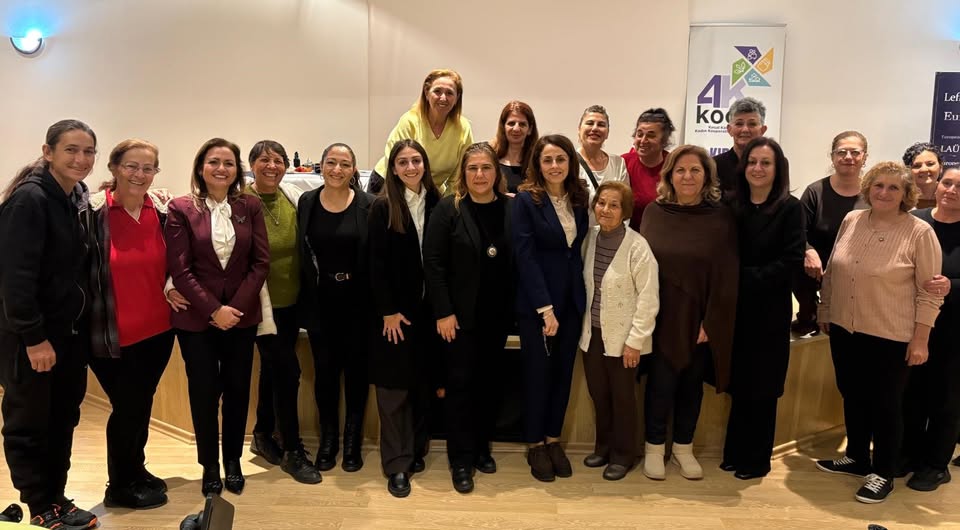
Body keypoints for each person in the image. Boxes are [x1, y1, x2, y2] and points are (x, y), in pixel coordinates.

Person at [815, 161, 943, 504]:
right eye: (878, 185)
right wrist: (825, 310)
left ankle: (883, 472)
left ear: (905, 194)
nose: (884, 193)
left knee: (885, 405)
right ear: (868, 188)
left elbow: (929, 292)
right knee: (852, 394)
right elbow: (833, 271)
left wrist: (921, 339)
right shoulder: (852, 220)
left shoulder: (919, 232)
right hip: (845, 328)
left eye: (893, 187)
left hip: (890, 336)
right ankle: (856, 456)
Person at [0, 119, 100, 528]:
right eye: (71, 150)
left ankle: (57, 497)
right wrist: (34, 337)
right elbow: (15, 279)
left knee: (62, 419)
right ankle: (39, 504)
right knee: (29, 423)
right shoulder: (30, 200)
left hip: (68, 335)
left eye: (88, 151)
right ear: (48, 152)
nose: (81, 158)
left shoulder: (74, 198)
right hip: (34, 339)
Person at [165, 138, 270, 497]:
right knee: (204, 393)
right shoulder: (180, 208)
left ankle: (234, 461)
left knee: (238, 391)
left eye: (228, 163)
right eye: (214, 162)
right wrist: (213, 310)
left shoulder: (250, 206)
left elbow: (260, 263)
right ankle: (209, 465)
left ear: (237, 170)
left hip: (241, 318)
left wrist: (233, 310)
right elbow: (180, 270)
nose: (221, 169)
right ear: (201, 168)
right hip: (197, 321)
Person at [87, 139, 180, 509]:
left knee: (141, 404)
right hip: (112, 335)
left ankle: (135, 469)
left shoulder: (162, 212)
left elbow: (176, 263)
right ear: (113, 168)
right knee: (127, 407)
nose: (139, 174)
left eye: (148, 168)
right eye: (131, 166)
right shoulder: (93, 213)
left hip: (158, 330)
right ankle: (119, 485)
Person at [638, 144, 738, 482]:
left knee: (691, 386)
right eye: (680, 170)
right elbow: (641, 266)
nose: (687, 176)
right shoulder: (654, 212)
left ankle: (683, 448)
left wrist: (712, 320)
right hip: (659, 315)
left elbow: (727, 273)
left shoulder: (720, 217)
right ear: (669, 176)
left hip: (699, 318)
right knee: (659, 384)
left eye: (695, 170)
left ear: (707, 176)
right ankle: (654, 448)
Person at [423, 142, 515, 493]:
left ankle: (481, 448)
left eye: (486, 168)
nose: (479, 174)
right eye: (472, 168)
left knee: (489, 385)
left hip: (497, 317)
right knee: (460, 387)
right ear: (463, 172)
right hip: (458, 320)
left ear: (497, 172)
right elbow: (433, 263)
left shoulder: (510, 208)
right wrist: (443, 312)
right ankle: (460, 459)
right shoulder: (449, 209)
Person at [721, 137, 804, 480]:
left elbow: (792, 259)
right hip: (734, 308)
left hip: (769, 309)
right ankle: (734, 452)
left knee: (764, 386)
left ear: (777, 168)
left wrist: (742, 278)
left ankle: (756, 459)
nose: (758, 168)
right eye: (752, 162)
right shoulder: (730, 204)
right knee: (739, 383)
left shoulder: (790, 208)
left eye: (765, 163)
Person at [513, 135, 589, 482]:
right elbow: (525, 257)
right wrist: (545, 309)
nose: (555, 166)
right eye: (548, 160)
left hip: (572, 301)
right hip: (538, 304)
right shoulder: (526, 200)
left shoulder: (579, 198)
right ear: (538, 164)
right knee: (537, 374)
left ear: (570, 162)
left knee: (562, 374)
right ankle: (534, 444)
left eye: (561, 159)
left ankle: (553, 439)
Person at [368, 139, 441, 498]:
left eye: (416, 160)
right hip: (396, 314)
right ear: (393, 169)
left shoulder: (439, 202)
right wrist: (387, 311)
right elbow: (375, 264)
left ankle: (415, 448)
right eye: (403, 162)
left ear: (424, 164)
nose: (410, 167)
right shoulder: (382, 207)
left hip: (431, 312)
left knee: (422, 384)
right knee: (393, 389)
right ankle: (397, 463)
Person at [244, 140, 320, 484]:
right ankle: (292, 450)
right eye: (264, 160)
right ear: (252, 165)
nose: (271, 166)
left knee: (273, 370)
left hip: (291, 303)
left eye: (278, 160)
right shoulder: (242, 202)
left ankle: (262, 434)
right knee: (288, 373)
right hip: (260, 305)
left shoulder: (292, 197)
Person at [298, 143, 374, 473]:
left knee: (357, 374)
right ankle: (328, 440)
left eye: (345, 164)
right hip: (321, 298)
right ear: (321, 166)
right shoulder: (307, 202)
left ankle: (352, 441)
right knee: (325, 373)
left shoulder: (370, 204)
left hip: (359, 300)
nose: (337, 169)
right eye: (331, 162)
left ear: (353, 169)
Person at [578, 181, 659, 481]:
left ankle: (623, 455)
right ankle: (604, 448)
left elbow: (648, 299)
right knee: (599, 395)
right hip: (592, 335)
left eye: (614, 205)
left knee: (623, 398)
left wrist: (635, 341)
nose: (606, 209)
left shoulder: (637, 246)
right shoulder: (590, 238)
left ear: (625, 211)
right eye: (601, 203)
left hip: (625, 339)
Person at [901, 166, 960, 491]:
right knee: (911, 393)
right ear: (937, 186)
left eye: (959, 187)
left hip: (954, 330)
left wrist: (952, 286)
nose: (951, 190)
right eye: (947, 183)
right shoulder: (915, 221)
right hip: (910, 324)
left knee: (946, 399)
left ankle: (937, 465)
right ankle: (908, 454)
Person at [792, 131, 870, 336]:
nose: (848, 157)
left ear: (865, 157)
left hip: (858, 270)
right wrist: (808, 251)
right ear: (833, 157)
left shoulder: (874, 194)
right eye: (841, 152)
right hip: (816, 269)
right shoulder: (814, 191)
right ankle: (808, 316)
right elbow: (797, 231)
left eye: (855, 152)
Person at [368, 69, 474, 195]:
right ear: (426, 93)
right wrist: (414, 199)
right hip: (391, 184)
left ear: (457, 98)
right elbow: (395, 164)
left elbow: (459, 175)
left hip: (428, 191)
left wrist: (447, 203)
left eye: (449, 93)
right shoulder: (409, 121)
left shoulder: (463, 128)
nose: (443, 98)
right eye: (437, 91)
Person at [712, 97, 788, 199]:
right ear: (729, 130)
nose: (745, 129)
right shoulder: (714, 165)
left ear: (763, 130)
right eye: (739, 124)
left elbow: (782, 198)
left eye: (752, 124)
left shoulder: (778, 162)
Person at [622, 108, 675, 230]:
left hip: (663, 234)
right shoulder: (623, 162)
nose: (643, 140)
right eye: (639, 134)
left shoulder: (673, 165)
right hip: (630, 236)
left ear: (664, 141)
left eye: (651, 135)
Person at [576, 105, 628, 210]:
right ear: (579, 129)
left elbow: (624, 204)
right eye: (590, 123)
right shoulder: (568, 162)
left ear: (607, 133)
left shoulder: (618, 163)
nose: (595, 128)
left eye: (601, 125)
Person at [491, 101, 539, 194]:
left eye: (522, 124)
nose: (516, 129)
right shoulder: (490, 158)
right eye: (511, 123)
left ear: (530, 129)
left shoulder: (538, 162)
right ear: (503, 127)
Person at [903, 142, 943, 210]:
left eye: (930, 164)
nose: (924, 169)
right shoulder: (901, 197)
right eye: (917, 166)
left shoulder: (952, 195)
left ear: (941, 167)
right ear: (908, 170)